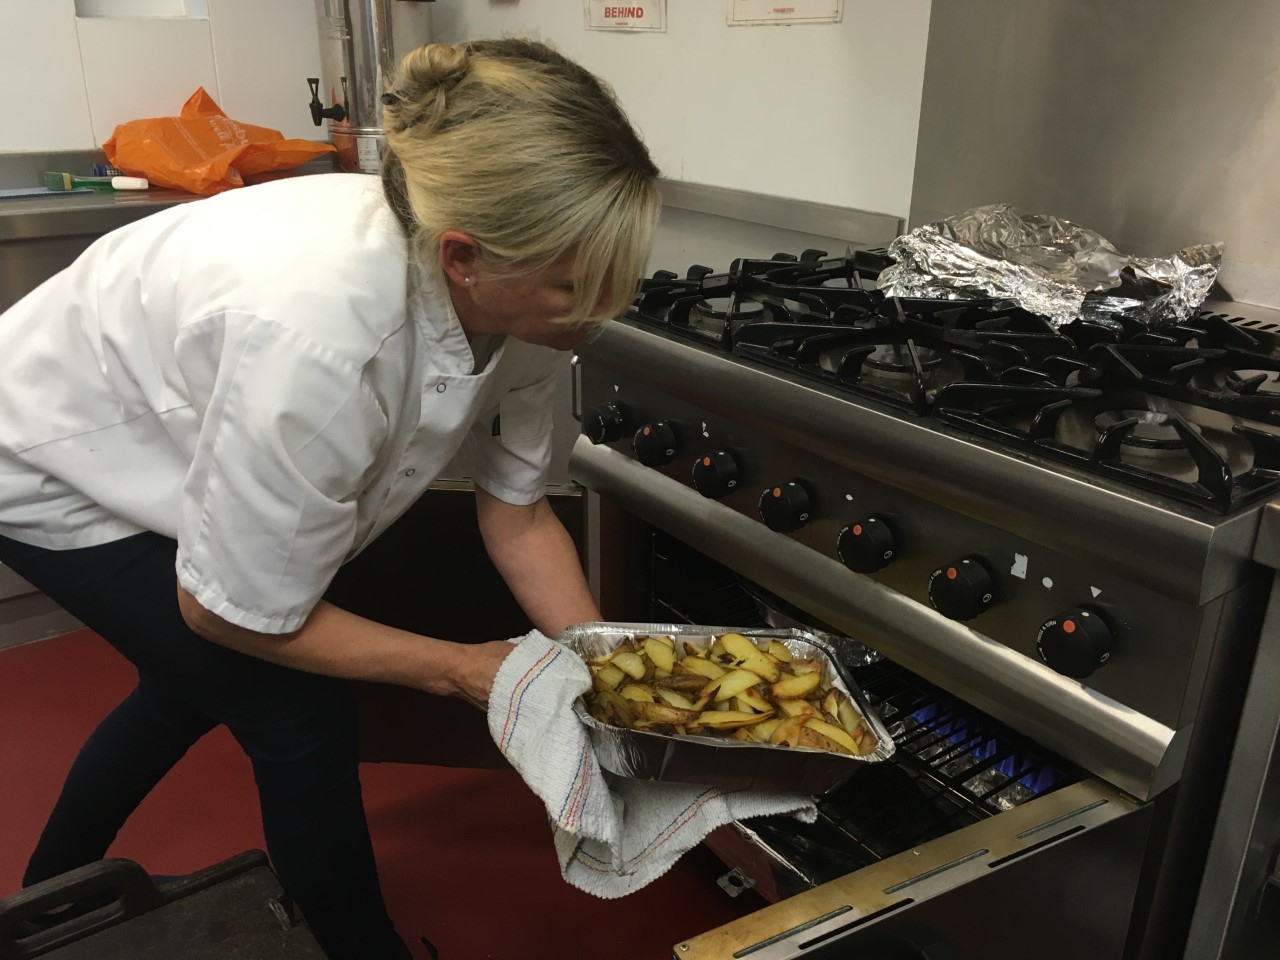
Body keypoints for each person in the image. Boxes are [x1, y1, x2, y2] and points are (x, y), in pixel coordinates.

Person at [0, 38, 660, 959]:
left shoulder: (530, 301)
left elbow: (516, 511)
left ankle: (48, 893)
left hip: (164, 439)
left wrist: (606, 663)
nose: (602, 308)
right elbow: (229, 615)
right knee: (296, 717)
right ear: (465, 257)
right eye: (577, 286)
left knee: (186, 687)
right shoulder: (318, 337)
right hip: (46, 461)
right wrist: (463, 669)